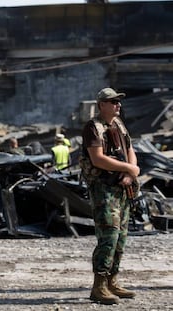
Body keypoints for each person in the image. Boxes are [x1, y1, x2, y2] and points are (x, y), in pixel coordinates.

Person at [80, 87, 140, 305]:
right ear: (102, 105)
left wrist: (129, 172)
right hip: (103, 188)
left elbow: (130, 149)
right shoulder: (93, 127)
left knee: (121, 238)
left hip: (122, 187)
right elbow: (97, 159)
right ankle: (99, 287)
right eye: (113, 102)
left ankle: (113, 281)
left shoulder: (119, 125)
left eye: (118, 101)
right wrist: (128, 169)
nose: (118, 105)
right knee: (109, 236)